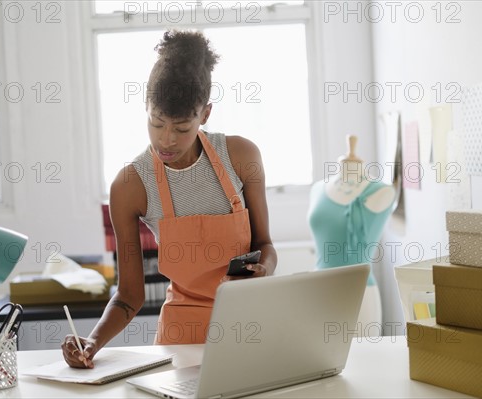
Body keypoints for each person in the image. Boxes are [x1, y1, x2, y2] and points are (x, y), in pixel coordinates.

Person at [62, 29, 277, 368]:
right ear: (145, 107)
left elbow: (266, 244)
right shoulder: (130, 185)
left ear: (205, 114)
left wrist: (264, 268)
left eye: (181, 128)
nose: (166, 140)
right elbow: (129, 296)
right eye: (156, 123)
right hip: (181, 339)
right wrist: (93, 341)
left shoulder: (241, 155)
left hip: (249, 327)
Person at [307, 135, 395, 335]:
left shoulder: (381, 191)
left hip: (358, 295)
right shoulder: (318, 189)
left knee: (363, 360)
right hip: (317, 291)